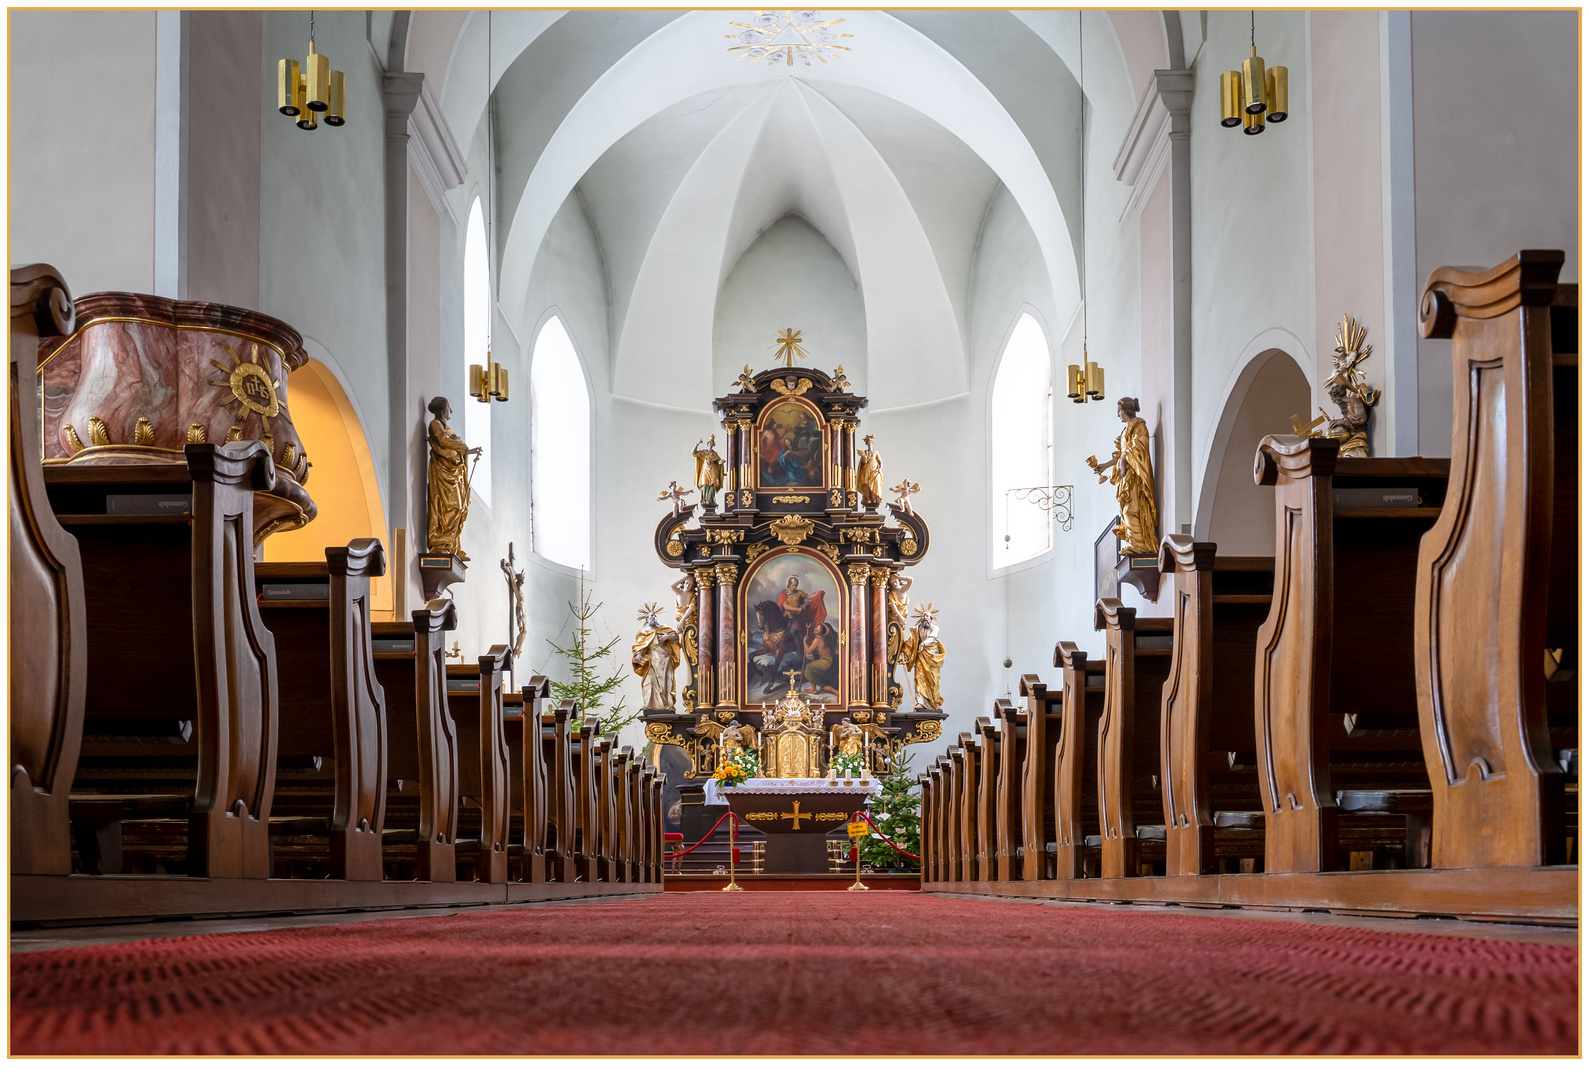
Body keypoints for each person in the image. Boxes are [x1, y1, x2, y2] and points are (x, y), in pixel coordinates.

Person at [1087, 397, 1159, 556]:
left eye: (1119, 412)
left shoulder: (1139, 426)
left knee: (1131, 509)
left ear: (1125, 411)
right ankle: (1134, 544)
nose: (1118, 415)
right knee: (1125, 509)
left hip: (1135, 476)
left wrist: (1124, 461)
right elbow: (1121, 454)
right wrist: (1105, 465)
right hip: (1126, 477)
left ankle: (1140, 546)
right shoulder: (1125, 432)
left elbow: (1139, 448)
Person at [426, 397, 482, 561]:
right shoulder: (435, 424)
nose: (452, 411)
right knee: (452, 507)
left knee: (460, 508)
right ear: (443, 410)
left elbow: (452, 446)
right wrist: (463, 447)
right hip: (443, 473)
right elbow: (443, 441)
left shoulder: (447, 428)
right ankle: (441, 544)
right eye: (450, 407)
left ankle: (452, 546)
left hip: (453, 472)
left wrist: (468, 452)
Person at [631, 606, 682, 712]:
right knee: (649, 681)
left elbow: (676, 637)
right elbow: (640, 646)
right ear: (647, 619)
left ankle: (668, 705)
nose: (654, 617)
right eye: (651, 616)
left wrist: (667, 637)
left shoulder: (664, 628)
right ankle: (649, 704)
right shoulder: (643, 632)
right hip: (651, 660)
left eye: (655, 615)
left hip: (665, 658)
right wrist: (639, 654)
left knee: (666, 682)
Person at [692, 435, 723, 508]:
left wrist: (721, 462)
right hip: (705, 470)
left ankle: (711, 499)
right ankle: (704, 499)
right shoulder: (703, 452)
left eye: (712, 444)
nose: (710, 445)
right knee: (705, 485)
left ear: (713, 445)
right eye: (709, 443)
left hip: (713, 470)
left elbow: (718, 461)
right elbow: (693, 453)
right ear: (707, 444)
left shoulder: (715, 454)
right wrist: (697, 444)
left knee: (712, 485)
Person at [856, 433, 884, 506]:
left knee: (875, 483)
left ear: (873, 443)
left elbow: (880, 461)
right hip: (867, 469)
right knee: (866, 483)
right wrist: (863, 460)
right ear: (866, 444)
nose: (870, 444)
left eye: (871, 442)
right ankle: (867, 498)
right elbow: (862, 461)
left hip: (875, 470)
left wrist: (880, 468)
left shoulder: (876, 452)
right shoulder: (865, 452)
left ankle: (874, 498)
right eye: (868, 443)